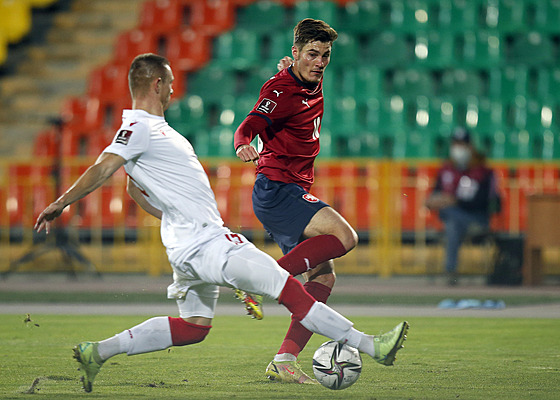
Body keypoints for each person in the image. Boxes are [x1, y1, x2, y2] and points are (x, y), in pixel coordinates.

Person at [34, 53, 408, 393]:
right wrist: (61, 203)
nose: (174, 90)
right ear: (157, 85)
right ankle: (373, 346)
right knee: (289, 289)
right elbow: (104, 168)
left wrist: (178, 218)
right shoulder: (141, 129)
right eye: (171, 83)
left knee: (194, 327)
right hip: (208, 243)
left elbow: (134, 190)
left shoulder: (147, 132)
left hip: (185, 245)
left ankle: (96, 352)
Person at [233, 19, 360, 384]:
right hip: (277, 186)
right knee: (345, 237)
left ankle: (284, 359)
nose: (319, 62)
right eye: (312, 54)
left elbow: (297, 78)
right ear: (296, 53)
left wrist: (292, 68)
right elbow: (252, 121)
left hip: (289, 186)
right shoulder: (281, 88)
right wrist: (243, 143)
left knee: (323, 275)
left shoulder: (304, 77)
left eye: (325, 55)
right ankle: (258, 280)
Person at [426, 127, 501, 286]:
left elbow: (485, 202)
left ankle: (450, 271)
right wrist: (434, 201)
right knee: (452, 223)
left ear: (470, 147)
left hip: (477, 219)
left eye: (462, 144)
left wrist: (454, 201)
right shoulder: (446, 169)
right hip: (453, 218)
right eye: (456, 144)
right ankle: (451, 271)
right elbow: (435, 193)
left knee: (451, 220)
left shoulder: (483, 172)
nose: (458, 148)